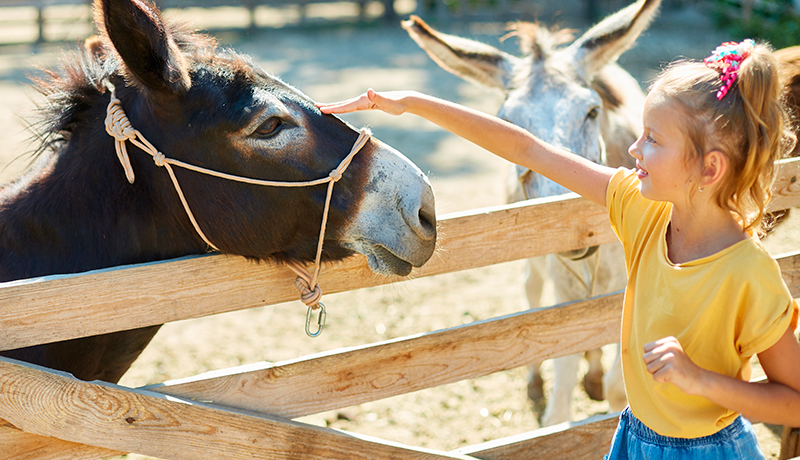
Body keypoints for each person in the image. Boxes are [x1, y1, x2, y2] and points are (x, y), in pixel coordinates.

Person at [318, 38, 800, 458]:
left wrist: (704, 383)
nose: (632, 149)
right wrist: (415, 103)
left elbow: (794, 400)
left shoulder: (748, 273)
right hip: (636, 441)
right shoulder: (642, 210)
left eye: (651, 139)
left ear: (709, 169)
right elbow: (531, 151)